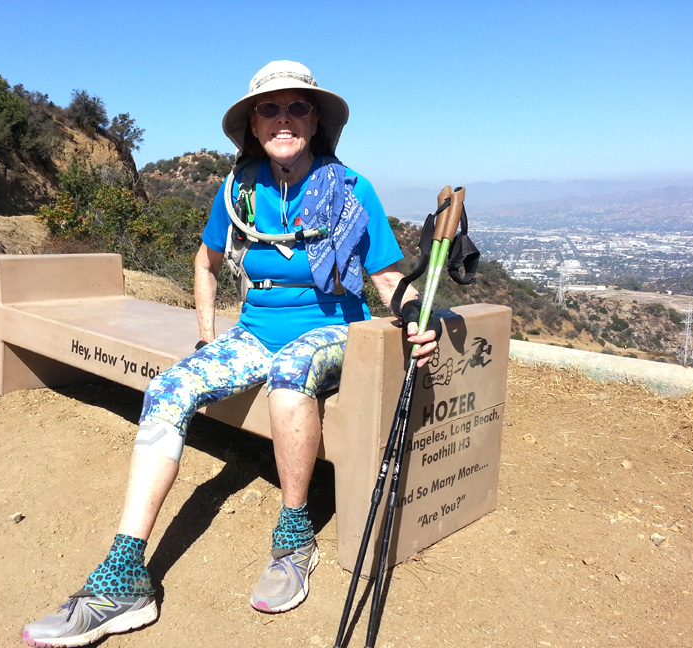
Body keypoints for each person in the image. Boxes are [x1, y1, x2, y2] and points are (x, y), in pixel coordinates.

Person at [22, 60, 439, 647]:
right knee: (168, 389)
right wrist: (206, 332)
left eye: (297, 107)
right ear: (253, 123)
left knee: (293, 375)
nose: (284, 118)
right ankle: (124, 577)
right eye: (270, 108)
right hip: (252, 331)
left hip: (331, 329)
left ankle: (294, 538)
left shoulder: (352, 189)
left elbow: (388, 276)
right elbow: (205, 260)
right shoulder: (238, 188)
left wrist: (419, 317)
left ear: (315, 120)